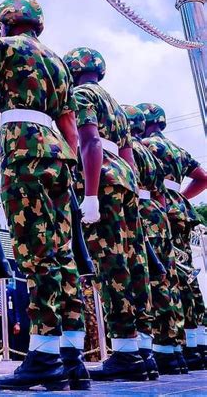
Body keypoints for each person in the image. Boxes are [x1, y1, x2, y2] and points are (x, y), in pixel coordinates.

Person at [0, 0, 89, 392]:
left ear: (7, 22)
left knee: (35, 253)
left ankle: (44, 356)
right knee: (62, 254)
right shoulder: (60, 63)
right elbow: (69, 122)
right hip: (59, 156)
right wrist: (73, 168)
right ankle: (72, 356)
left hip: (24, 151)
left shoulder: (4, 49)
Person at [63, 47, 154, 381]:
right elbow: (128, 155)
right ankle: (144, 350)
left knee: (111, 266)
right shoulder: (114, 104)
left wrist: (89, 194)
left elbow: (90, 142)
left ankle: (127, 354)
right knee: (133, 266)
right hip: (126, 183)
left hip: (103, 182)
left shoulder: (81, 93)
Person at [137, 102, 207, 370]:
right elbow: (202, 177)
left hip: (158, 210)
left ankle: (169, 344)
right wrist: (181, 198)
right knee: (186, 276)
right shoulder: (178, 149)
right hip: (180, 213)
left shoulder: (146, 146)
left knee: (164, 275)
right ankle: (195, 343)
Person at [123, 105, 185, 375]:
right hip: (159, 215)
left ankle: (145, 350)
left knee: (142, 279)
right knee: (166, 282)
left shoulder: (136, 148)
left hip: (140, 213)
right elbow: (160, 192)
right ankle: (171, 350)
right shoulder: (150, 152)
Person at [0, 281, 21, 361]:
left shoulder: (10, 290)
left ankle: (12, 361)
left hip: (8, 319)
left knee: (10, 341)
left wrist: (17, 322)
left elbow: (16, 307)